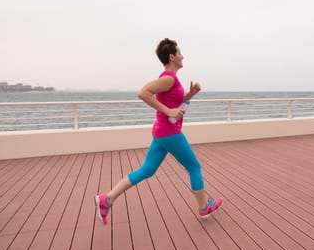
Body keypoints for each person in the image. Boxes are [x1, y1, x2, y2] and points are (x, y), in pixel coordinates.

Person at [94, 38, 223, 225]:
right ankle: (204, 208)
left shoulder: (171, 79)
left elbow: (173, 105)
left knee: (147, 170)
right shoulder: (168, 78)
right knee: (194, 167)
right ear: (172, 57)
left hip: (162, 132)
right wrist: (169, 111)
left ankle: (107, 199)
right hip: (170, 133)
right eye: (179, 53)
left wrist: (190, 95)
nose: (182, 56)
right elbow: (143, 93)